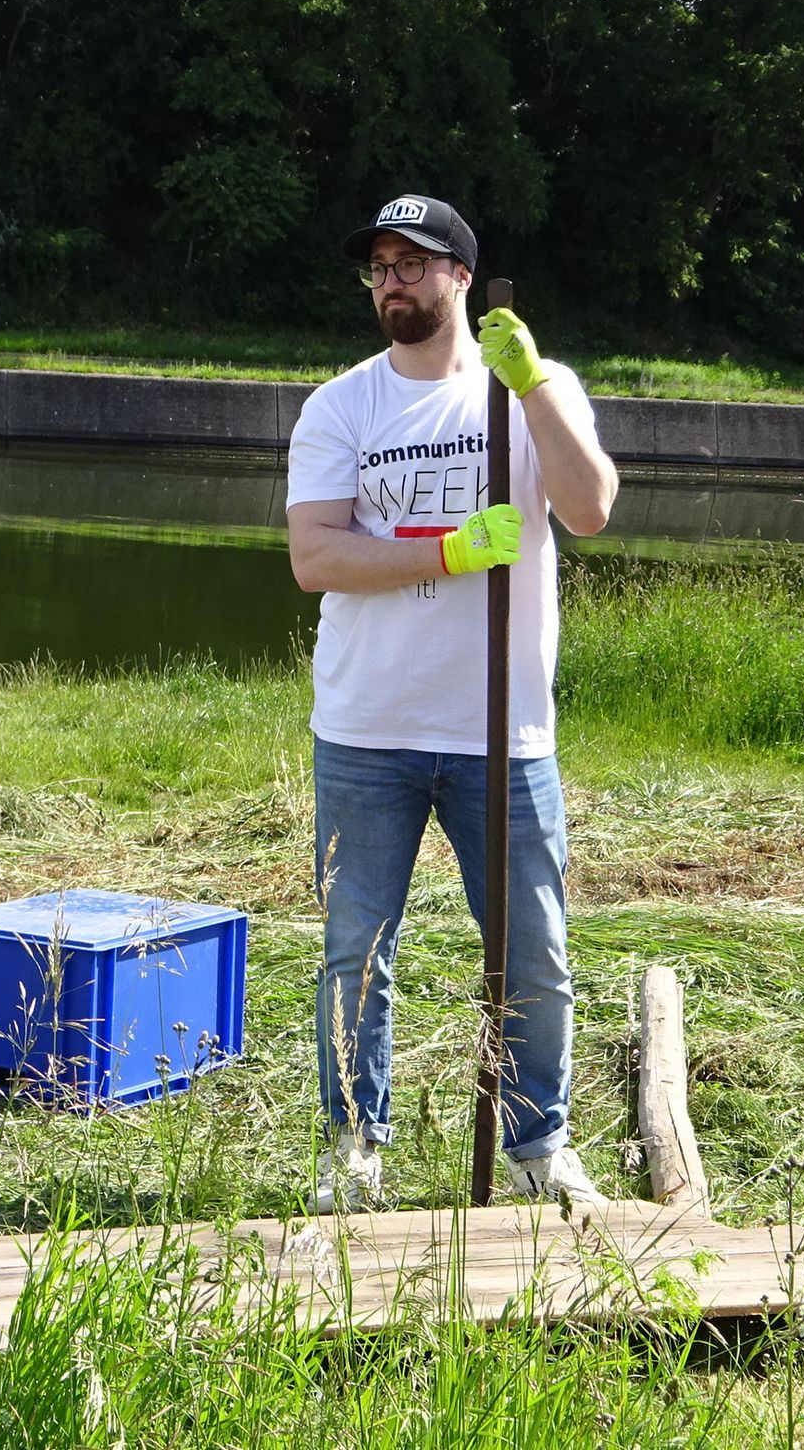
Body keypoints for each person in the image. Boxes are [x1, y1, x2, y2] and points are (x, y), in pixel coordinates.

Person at [283, 195, 617, 1213]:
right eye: (379, 265)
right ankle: (356, 1151)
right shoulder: (341, 406)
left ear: (462, 281)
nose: (393, 280)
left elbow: (592, 509)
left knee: (534, 954)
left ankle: (539, 1149)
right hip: (366, 730)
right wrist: (446, 549)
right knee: (357, 952)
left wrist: (534, 389)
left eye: (414, 263)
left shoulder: (531, 392)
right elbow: (315, 556)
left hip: (501, 733)